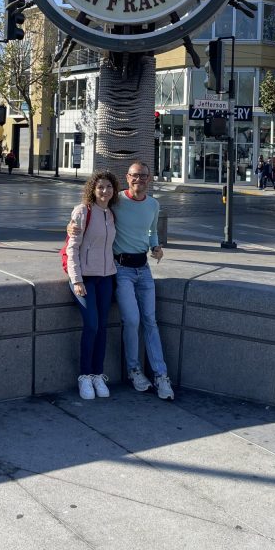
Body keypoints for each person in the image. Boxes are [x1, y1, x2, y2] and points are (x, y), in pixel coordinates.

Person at [110, 160, 174, 400]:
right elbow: (91, 212)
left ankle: (160, 375)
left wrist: (155, 246)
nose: (139, 179)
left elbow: (151, 230)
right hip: (121, 269)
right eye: (135, 175)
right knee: (132, 320)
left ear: (150, 179)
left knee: (150, 321)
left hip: (143, 269)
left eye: (144, 176)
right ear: (127, 177)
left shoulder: (153, 205)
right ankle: (134, 370)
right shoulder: (116, 201)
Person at [66, 171, 120, 400]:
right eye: (100, 187)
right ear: (92, 189)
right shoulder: (82, 212)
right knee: (92, 326)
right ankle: (85, 376)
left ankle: (98, 374)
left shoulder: (111, 213)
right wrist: (76, 279)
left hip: (107, 278)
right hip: (85, 278)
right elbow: (72, 248)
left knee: (102, 328)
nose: (105, 191)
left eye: (109, 187)